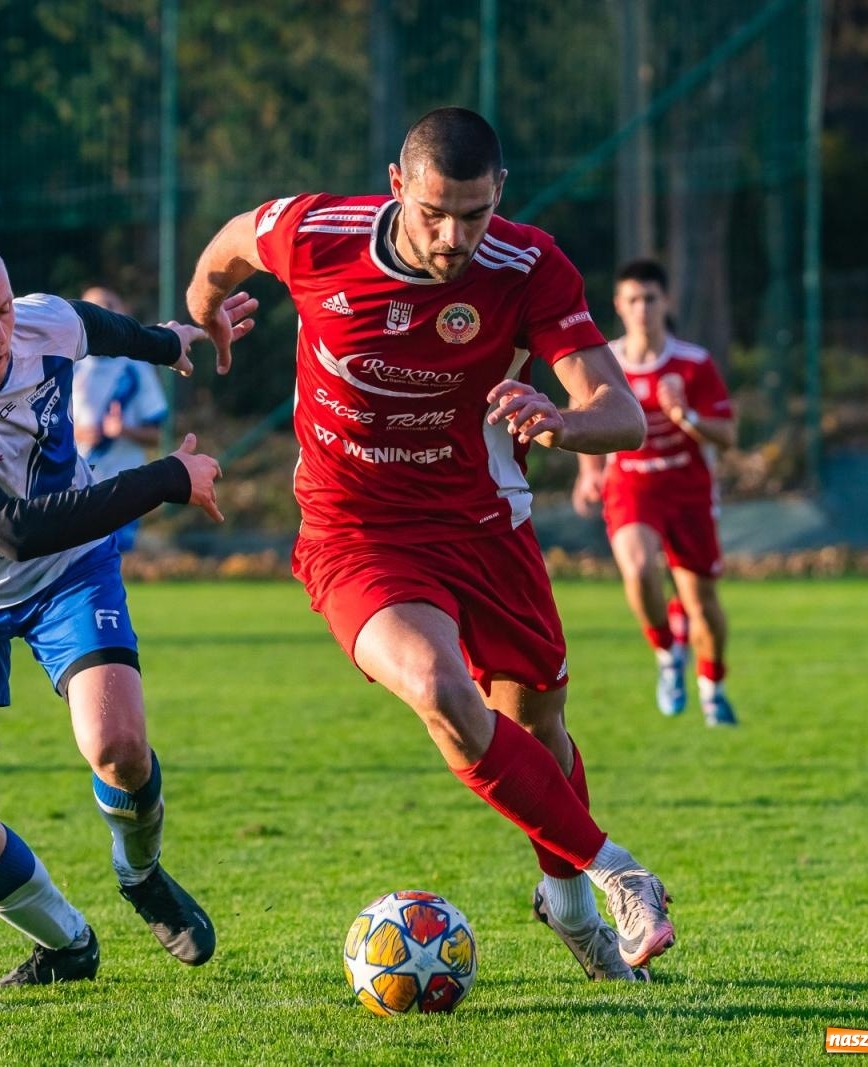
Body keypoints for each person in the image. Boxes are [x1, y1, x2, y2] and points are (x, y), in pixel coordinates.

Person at [186, 107, 676, 981]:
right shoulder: (314, 234)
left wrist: (562, 420)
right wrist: (203, 309)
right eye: (435, 213)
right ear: (397, 186)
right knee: (442, 690)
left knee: (540, 729)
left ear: (502, 198)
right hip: (357, 531)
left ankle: (564, 902)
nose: (455, 237)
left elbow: (623, 414)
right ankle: (618, 873)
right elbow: (228, 246)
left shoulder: (528, 265)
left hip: (487, 529)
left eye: (476, 215)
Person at [0, 233, 256, 987]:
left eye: (3, 310)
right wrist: (167, 475)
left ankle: (140, 874)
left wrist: (169, 340)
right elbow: (13, 530)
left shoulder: (39, 322)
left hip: (68, 571)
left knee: (120, 747)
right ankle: (67, 943)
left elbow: (90, 324)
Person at [572, 259, 737, 726]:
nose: (642, 309)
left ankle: (713, 687)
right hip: (631, 485)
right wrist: (588, 473)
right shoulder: (605, 361)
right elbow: (583, 415)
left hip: (688, 490)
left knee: (702, 603)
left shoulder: (693, 363)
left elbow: (726, 434)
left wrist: (686, 416)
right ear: (619, 307)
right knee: (639, 567)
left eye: (650, 298)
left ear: (667, 303)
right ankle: (667, 653)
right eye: (633, 300)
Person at [70, 286, 171, 552]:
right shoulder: (68, 366)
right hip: (74, 485)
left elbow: (157, 435)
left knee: (115, 554)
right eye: (94, 308)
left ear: (124, 311)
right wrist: (77, 434)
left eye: (110, 305)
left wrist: (123, 430)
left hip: (122, 484)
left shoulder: (136, 368)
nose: (103, 314)